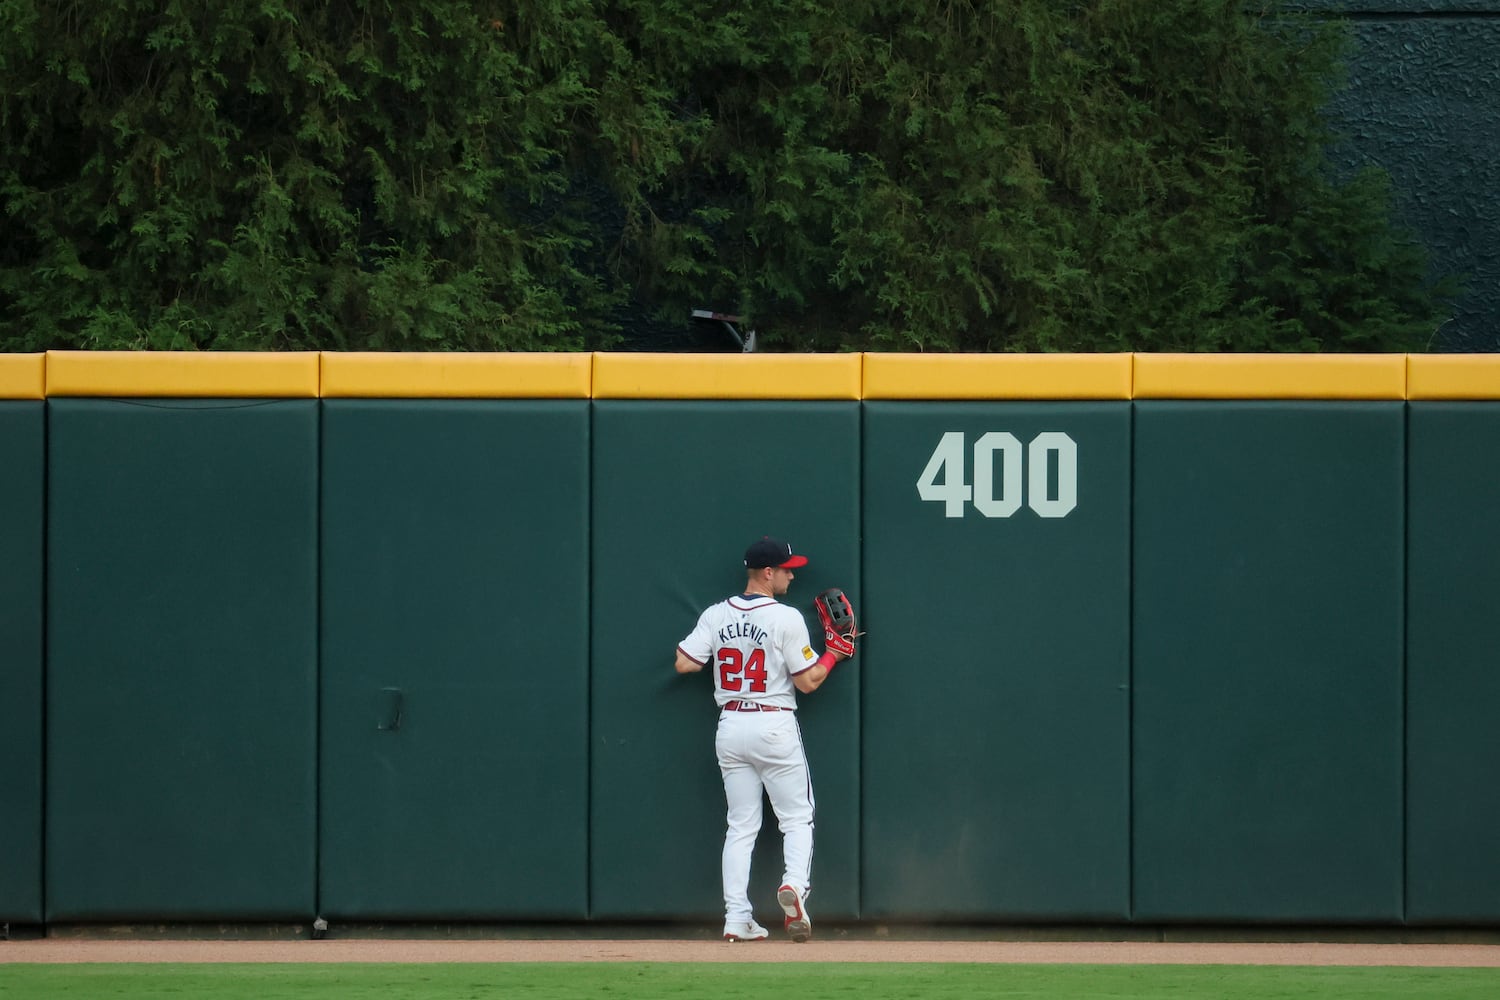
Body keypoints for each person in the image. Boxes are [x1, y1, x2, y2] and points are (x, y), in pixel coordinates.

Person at [674, 536, 851, 943]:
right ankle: (794, 889)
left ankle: (736, 918)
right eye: (787, 569)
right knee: (796, 818)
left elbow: (684, 663)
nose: (792, 574)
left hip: (732, 724)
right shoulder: (785, 617)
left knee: (740, 826)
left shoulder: (717, 614)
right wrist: (834, 654)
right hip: (773, 723)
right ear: (767, 573)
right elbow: (807, 682)